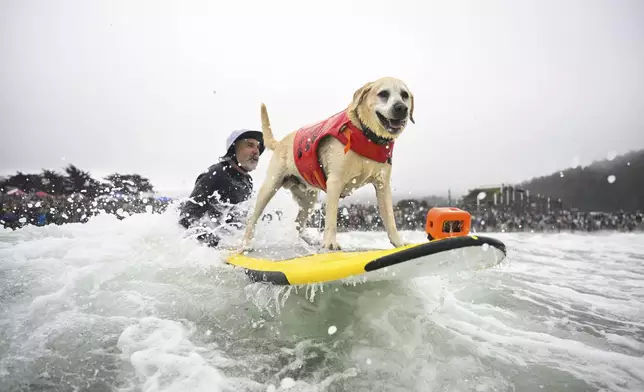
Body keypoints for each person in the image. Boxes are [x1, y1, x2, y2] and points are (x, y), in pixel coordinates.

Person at [179, 129, 265, 247]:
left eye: (258, 148)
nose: (256, 151)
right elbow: (186, 217)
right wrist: (214, 242)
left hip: (233, 241)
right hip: (209, 249)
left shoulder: (247, 181)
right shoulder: (216, 173)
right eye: (250, 145)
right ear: (233, 149)